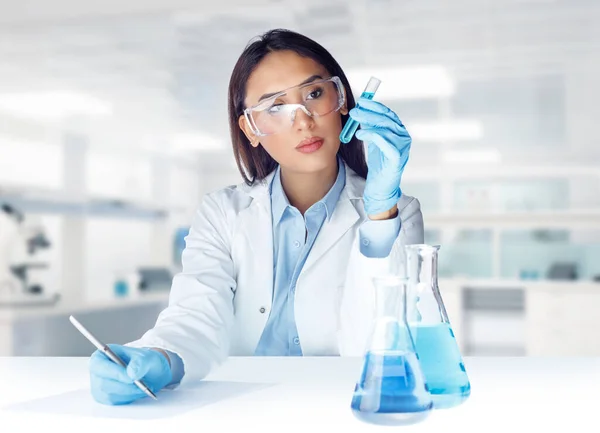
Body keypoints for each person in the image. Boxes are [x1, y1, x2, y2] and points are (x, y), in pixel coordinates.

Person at [88, 28, 424, 406]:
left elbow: (381, 339)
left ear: (342, 99)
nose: (303, 121)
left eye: (314, 94)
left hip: (338, 404)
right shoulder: (222, 213)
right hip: (237, 407)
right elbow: (195, 314)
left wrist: (379, 216)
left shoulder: (397, 211)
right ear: (250, 128)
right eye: (275, 107)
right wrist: (162, 357)